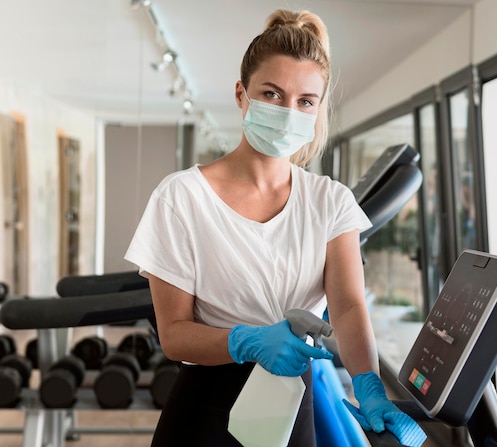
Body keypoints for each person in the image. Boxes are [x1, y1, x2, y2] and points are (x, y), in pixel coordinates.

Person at [125, 8, 426, 447]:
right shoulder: (181, 197)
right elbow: (173, 334)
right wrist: (245, 341)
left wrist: (370, 386)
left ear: (318, 109)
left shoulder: (330, 202)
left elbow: (346, 308)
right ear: (241, 95)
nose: (288, 111)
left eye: (305, 101)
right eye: (271, 94)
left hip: (290, 408)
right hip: (205, 411)